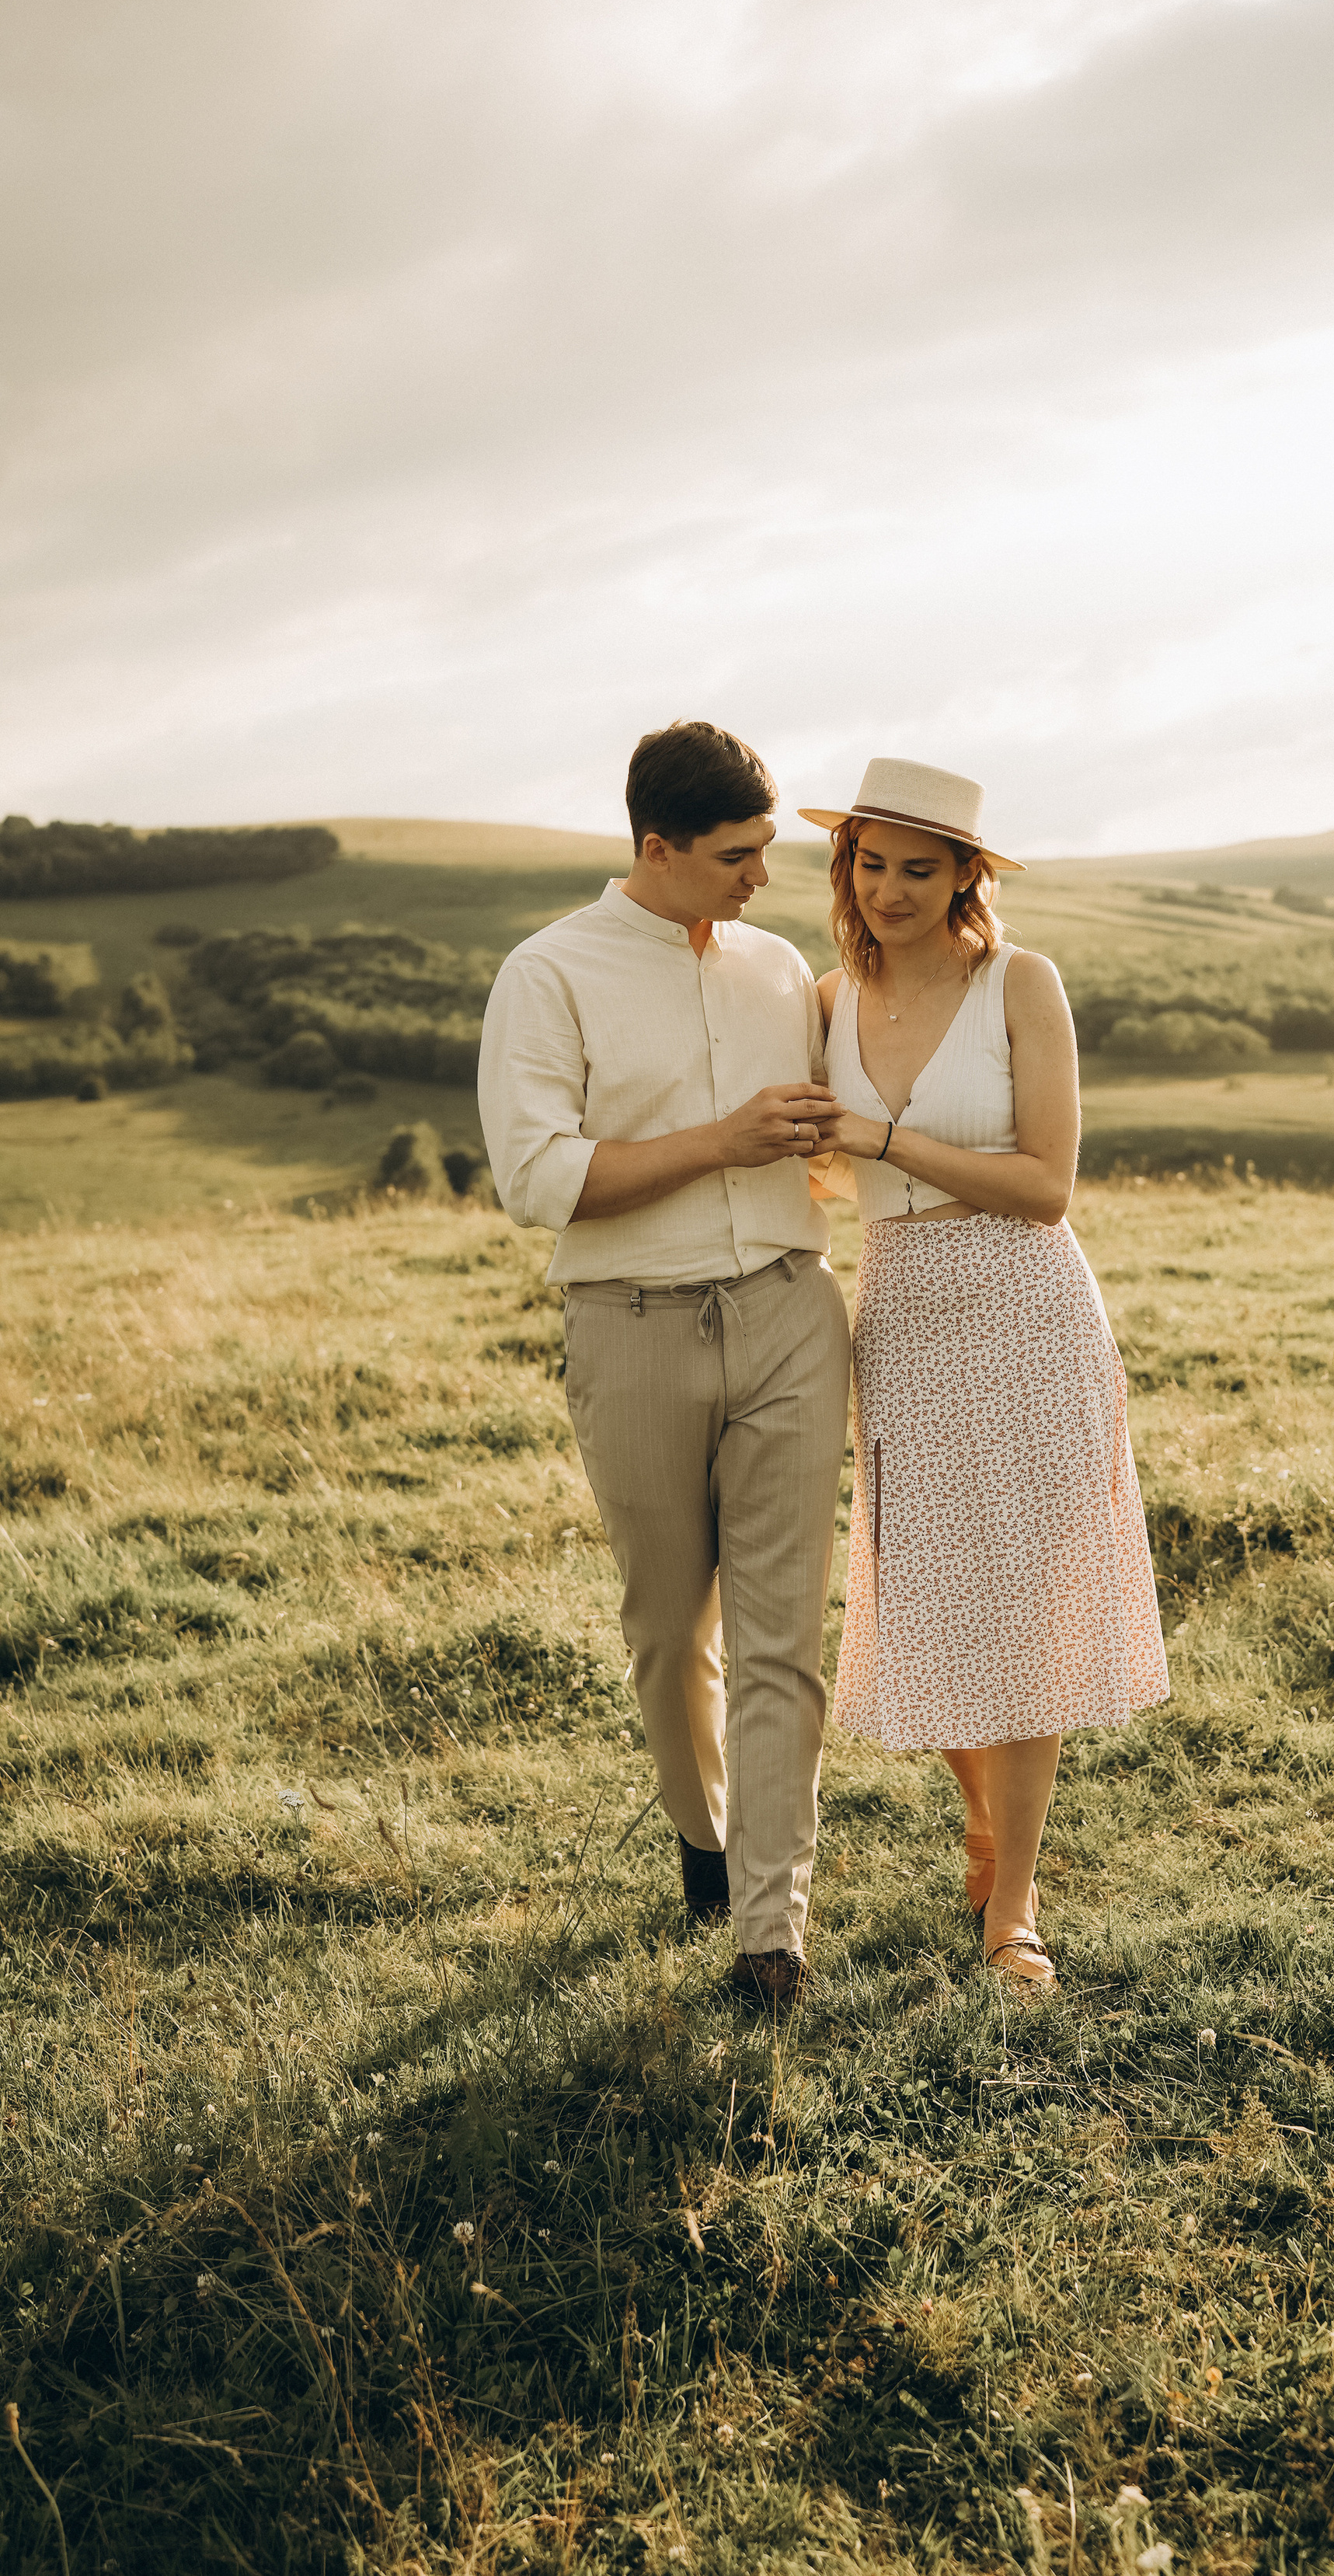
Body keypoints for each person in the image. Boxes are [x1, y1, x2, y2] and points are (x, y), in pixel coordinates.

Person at [478, 720, 848, 2014]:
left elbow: (823, 1129)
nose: (763, 877)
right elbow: (539, 1178)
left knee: (783, 1632)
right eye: (739, 855)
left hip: (793, 1316)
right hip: (629, 1325)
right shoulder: (549, 974)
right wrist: (721, 1140)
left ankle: (770, 1931)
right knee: (666, 1625)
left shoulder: (776, 963)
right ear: (658, 848)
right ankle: (704, 1839)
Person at [803, 756, 1170, 1995]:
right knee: (926, 1597)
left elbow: (1047, 1184)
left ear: (967, 873)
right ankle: (987, 1814)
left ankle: (1012, 1908)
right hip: (900, 1306)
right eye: (873, 863)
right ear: (846, 864)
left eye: (921, 867)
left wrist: (886, 1139)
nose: (893, 889)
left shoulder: (1021, 983)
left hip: (1025, 1303)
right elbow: (805, 1156)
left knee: (1026, 1604)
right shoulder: (823, 998)